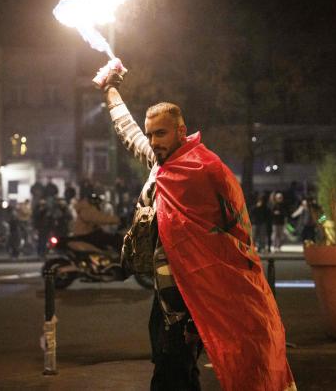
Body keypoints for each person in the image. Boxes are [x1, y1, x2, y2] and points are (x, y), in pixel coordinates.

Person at [96, 61, 295, 390]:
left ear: (180, 130)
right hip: (166, 296)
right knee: (172, 369)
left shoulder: (205, 169)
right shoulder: (161, 165)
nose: (153, 141)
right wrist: (111, 91)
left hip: (195, 296)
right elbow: (129, 134)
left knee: (172, 375)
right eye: (151, 134)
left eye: (160, 133)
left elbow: (233, 233)